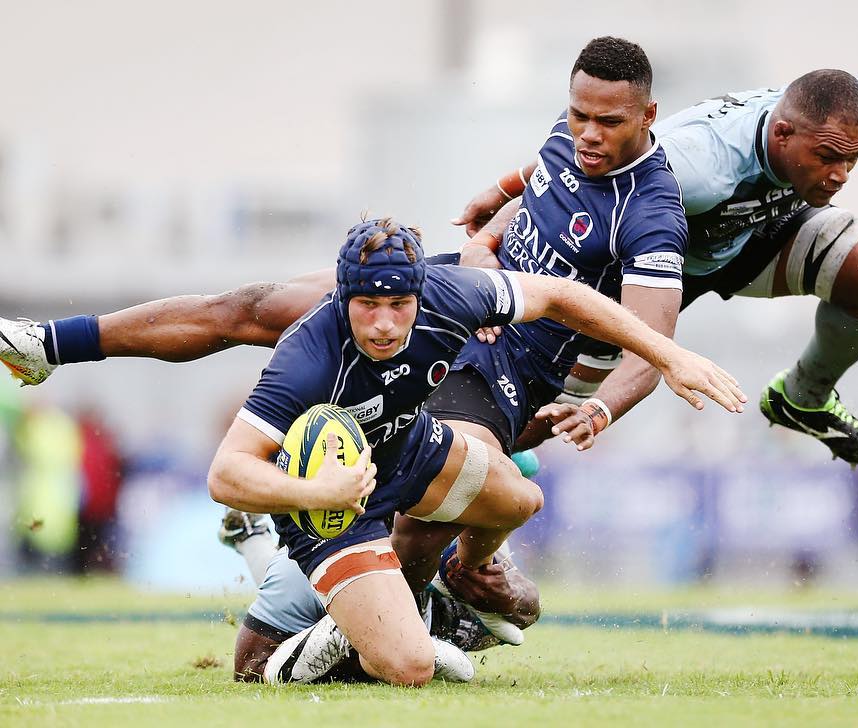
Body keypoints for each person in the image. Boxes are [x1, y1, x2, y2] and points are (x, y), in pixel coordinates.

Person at [0, 38, 745, 599]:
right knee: (253, 306)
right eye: (577, 114)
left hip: (515, 372)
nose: (586, 134)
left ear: (648, 117)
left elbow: (652, 348)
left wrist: (602, 412)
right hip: (457, 288)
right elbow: (537, 197)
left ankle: (414, 604)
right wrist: (487, 229)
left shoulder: (651, 216)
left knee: (423, 513)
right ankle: (47, 346)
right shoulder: (572, 134)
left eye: (607, 124)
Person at [203, 216, 742, 686]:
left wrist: (667, 355)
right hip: (333, 504)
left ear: (421, 293)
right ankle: (345, 633)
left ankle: (460, 578)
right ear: (342, 298)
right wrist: (318, 490)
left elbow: (562, 295)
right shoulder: (308, 356)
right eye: (367, 305)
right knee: (403, 668)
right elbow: (226, 473)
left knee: (522, 499)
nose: (385, 323)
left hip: (409, 451)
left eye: (399, 304)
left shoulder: (450, 295)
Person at [455, 68, 858, 467]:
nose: (841, 175)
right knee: (533, 420)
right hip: (650, 263)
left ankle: (805, 397)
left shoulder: (854, 110)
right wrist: (497, 206)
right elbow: (586, 158)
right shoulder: (694, 163)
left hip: (750, 239)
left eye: (853, 158)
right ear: (783, 133)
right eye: (826, 159)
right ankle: (469, 497)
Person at [220, 510, 541, 683]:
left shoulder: (451, 537)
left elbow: (528, 609)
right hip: (318, 599)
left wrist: (507, 597)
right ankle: (250, 536)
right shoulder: (304, 569)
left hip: (432, 614)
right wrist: (364, 655)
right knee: (301, 603)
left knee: (498, 622)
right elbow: (249, 666)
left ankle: (247, 533)